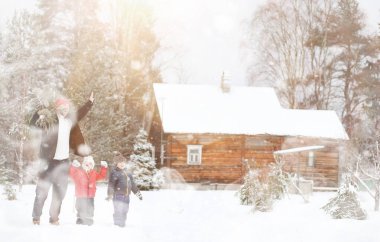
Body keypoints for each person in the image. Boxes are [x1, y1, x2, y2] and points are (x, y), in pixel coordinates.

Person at [31, 92, 94, 225]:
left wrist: (89, 103)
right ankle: (36, 218)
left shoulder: (69, 121)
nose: (65, 110)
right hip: (48, 163)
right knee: (42, 192)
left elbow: (80, 114)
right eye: (62, 108)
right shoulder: (50, 121)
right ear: (57, 109)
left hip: (63, 163)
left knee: (59, 193)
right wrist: (39, 111)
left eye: (66, 108)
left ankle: (54, 218)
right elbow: (34, 124)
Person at [69, 156, 108, 225]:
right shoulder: (79, 172)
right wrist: (73, 166)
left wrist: (104, 168)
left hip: (90, 195)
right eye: (86, 164)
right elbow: (72, 174)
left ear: (92, 165)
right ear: (83, 165)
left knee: (90, 207)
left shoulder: (94, 173)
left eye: (90, 164)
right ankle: (80, 218)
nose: (88, 165)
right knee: (80, 206)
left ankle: (89, 218)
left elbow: (101, 176)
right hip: (80, 195)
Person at [107, 154, 142, 227]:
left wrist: (137, 193)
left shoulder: (128, 173)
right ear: (116, 164)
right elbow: (111, 184)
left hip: (126, 196)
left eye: (123, 162)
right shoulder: (114, 172)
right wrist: (110, 194)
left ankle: (122, 221)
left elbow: (132, 184)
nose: (122, 164)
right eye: (120, 162)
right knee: (118, 210)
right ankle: (117, 223)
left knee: (125, 210)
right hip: (118, 195)